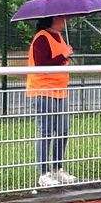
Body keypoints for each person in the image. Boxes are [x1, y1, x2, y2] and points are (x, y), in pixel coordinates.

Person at [26, 16, 75, 188]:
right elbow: (41, 65)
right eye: (62, 18)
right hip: (43, 90)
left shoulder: (59, 37)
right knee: (46, 131)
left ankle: (57, 168)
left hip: (60, 90)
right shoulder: (41, 38)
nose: (66, 21)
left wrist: (65, 55)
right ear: (53, 19)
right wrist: (63, 55)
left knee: (63, 131)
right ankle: (43, 172)